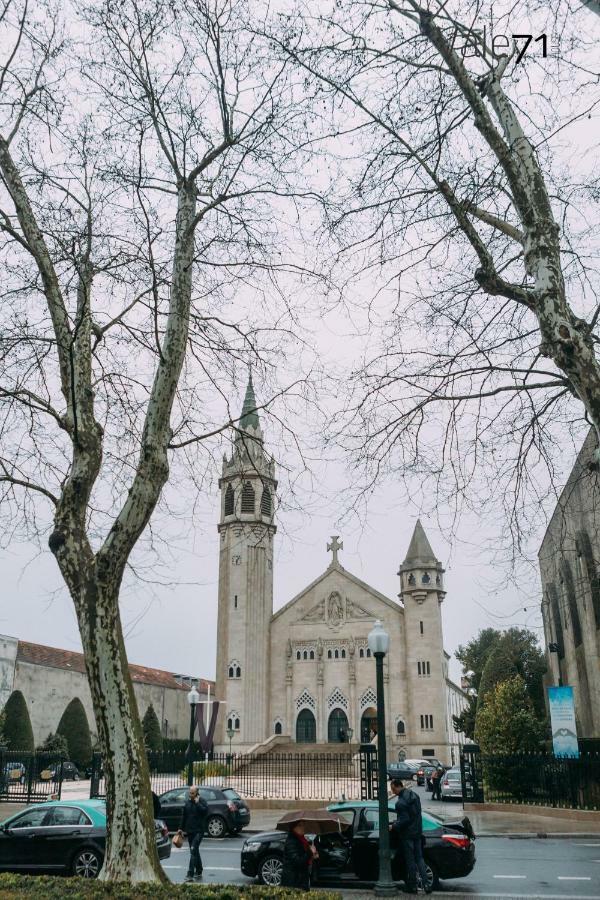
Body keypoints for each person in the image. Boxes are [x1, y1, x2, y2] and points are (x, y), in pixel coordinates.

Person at [390, 778, 432, 894]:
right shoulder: (415, 796)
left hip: (407, 834)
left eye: (393, 789)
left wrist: (394, 826)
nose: (393, 792)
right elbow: (416, 815)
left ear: (398, 787)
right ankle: (427, 885)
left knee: (410, 860)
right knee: (419, 859)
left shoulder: (400, 803)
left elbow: (404, 820)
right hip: (417, 832)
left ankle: (412, 886)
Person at [178, 785, 208, 883]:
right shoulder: (187, 803)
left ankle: (190, 874)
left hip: (199, 831)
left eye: (192, 793)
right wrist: (180, 829)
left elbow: (205, 812)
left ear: (197, 793)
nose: (190, 795)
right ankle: (199, 870)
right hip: (190, 831)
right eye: (189, 792)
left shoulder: (202, 801)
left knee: (193, 850)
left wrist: (198, 803)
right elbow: (184, 816)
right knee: (195, 851)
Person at [281, 822, 317, 891]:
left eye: (303, 825)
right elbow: (298, 861)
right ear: (294, 828)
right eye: (300, 825)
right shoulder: (291, 842)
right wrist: (310, 853)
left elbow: (304, 856)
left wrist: (312, 856)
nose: (303, 827)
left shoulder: (302, 840)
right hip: (294, 881)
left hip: (301, 878)